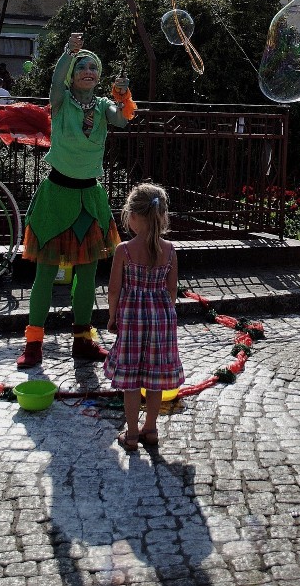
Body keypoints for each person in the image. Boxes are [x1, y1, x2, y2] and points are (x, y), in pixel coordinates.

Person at [16, 32, 135, 368]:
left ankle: (83, 339)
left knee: (87, 273)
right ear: (72, 74)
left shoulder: (102, 106)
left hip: (89, 197)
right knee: (45, 273)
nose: (88, 70)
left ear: (99, 77)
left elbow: (123, 119)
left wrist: (124, 94)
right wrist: (69, 52)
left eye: (93, 67)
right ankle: (34, 343)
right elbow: (56, 81)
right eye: (82, 66)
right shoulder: (61, 101)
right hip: (56, 196)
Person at [103, 183, 184, 451]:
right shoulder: (170, 249)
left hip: (131, 319)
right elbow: (172, 289)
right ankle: (151, 428)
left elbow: (114, 289)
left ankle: (132, 433)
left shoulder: (124, 250)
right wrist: (164, 313)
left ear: (134, 217)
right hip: (161, 319)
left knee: (131, 380)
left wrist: (113, 317)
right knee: (155, 377)